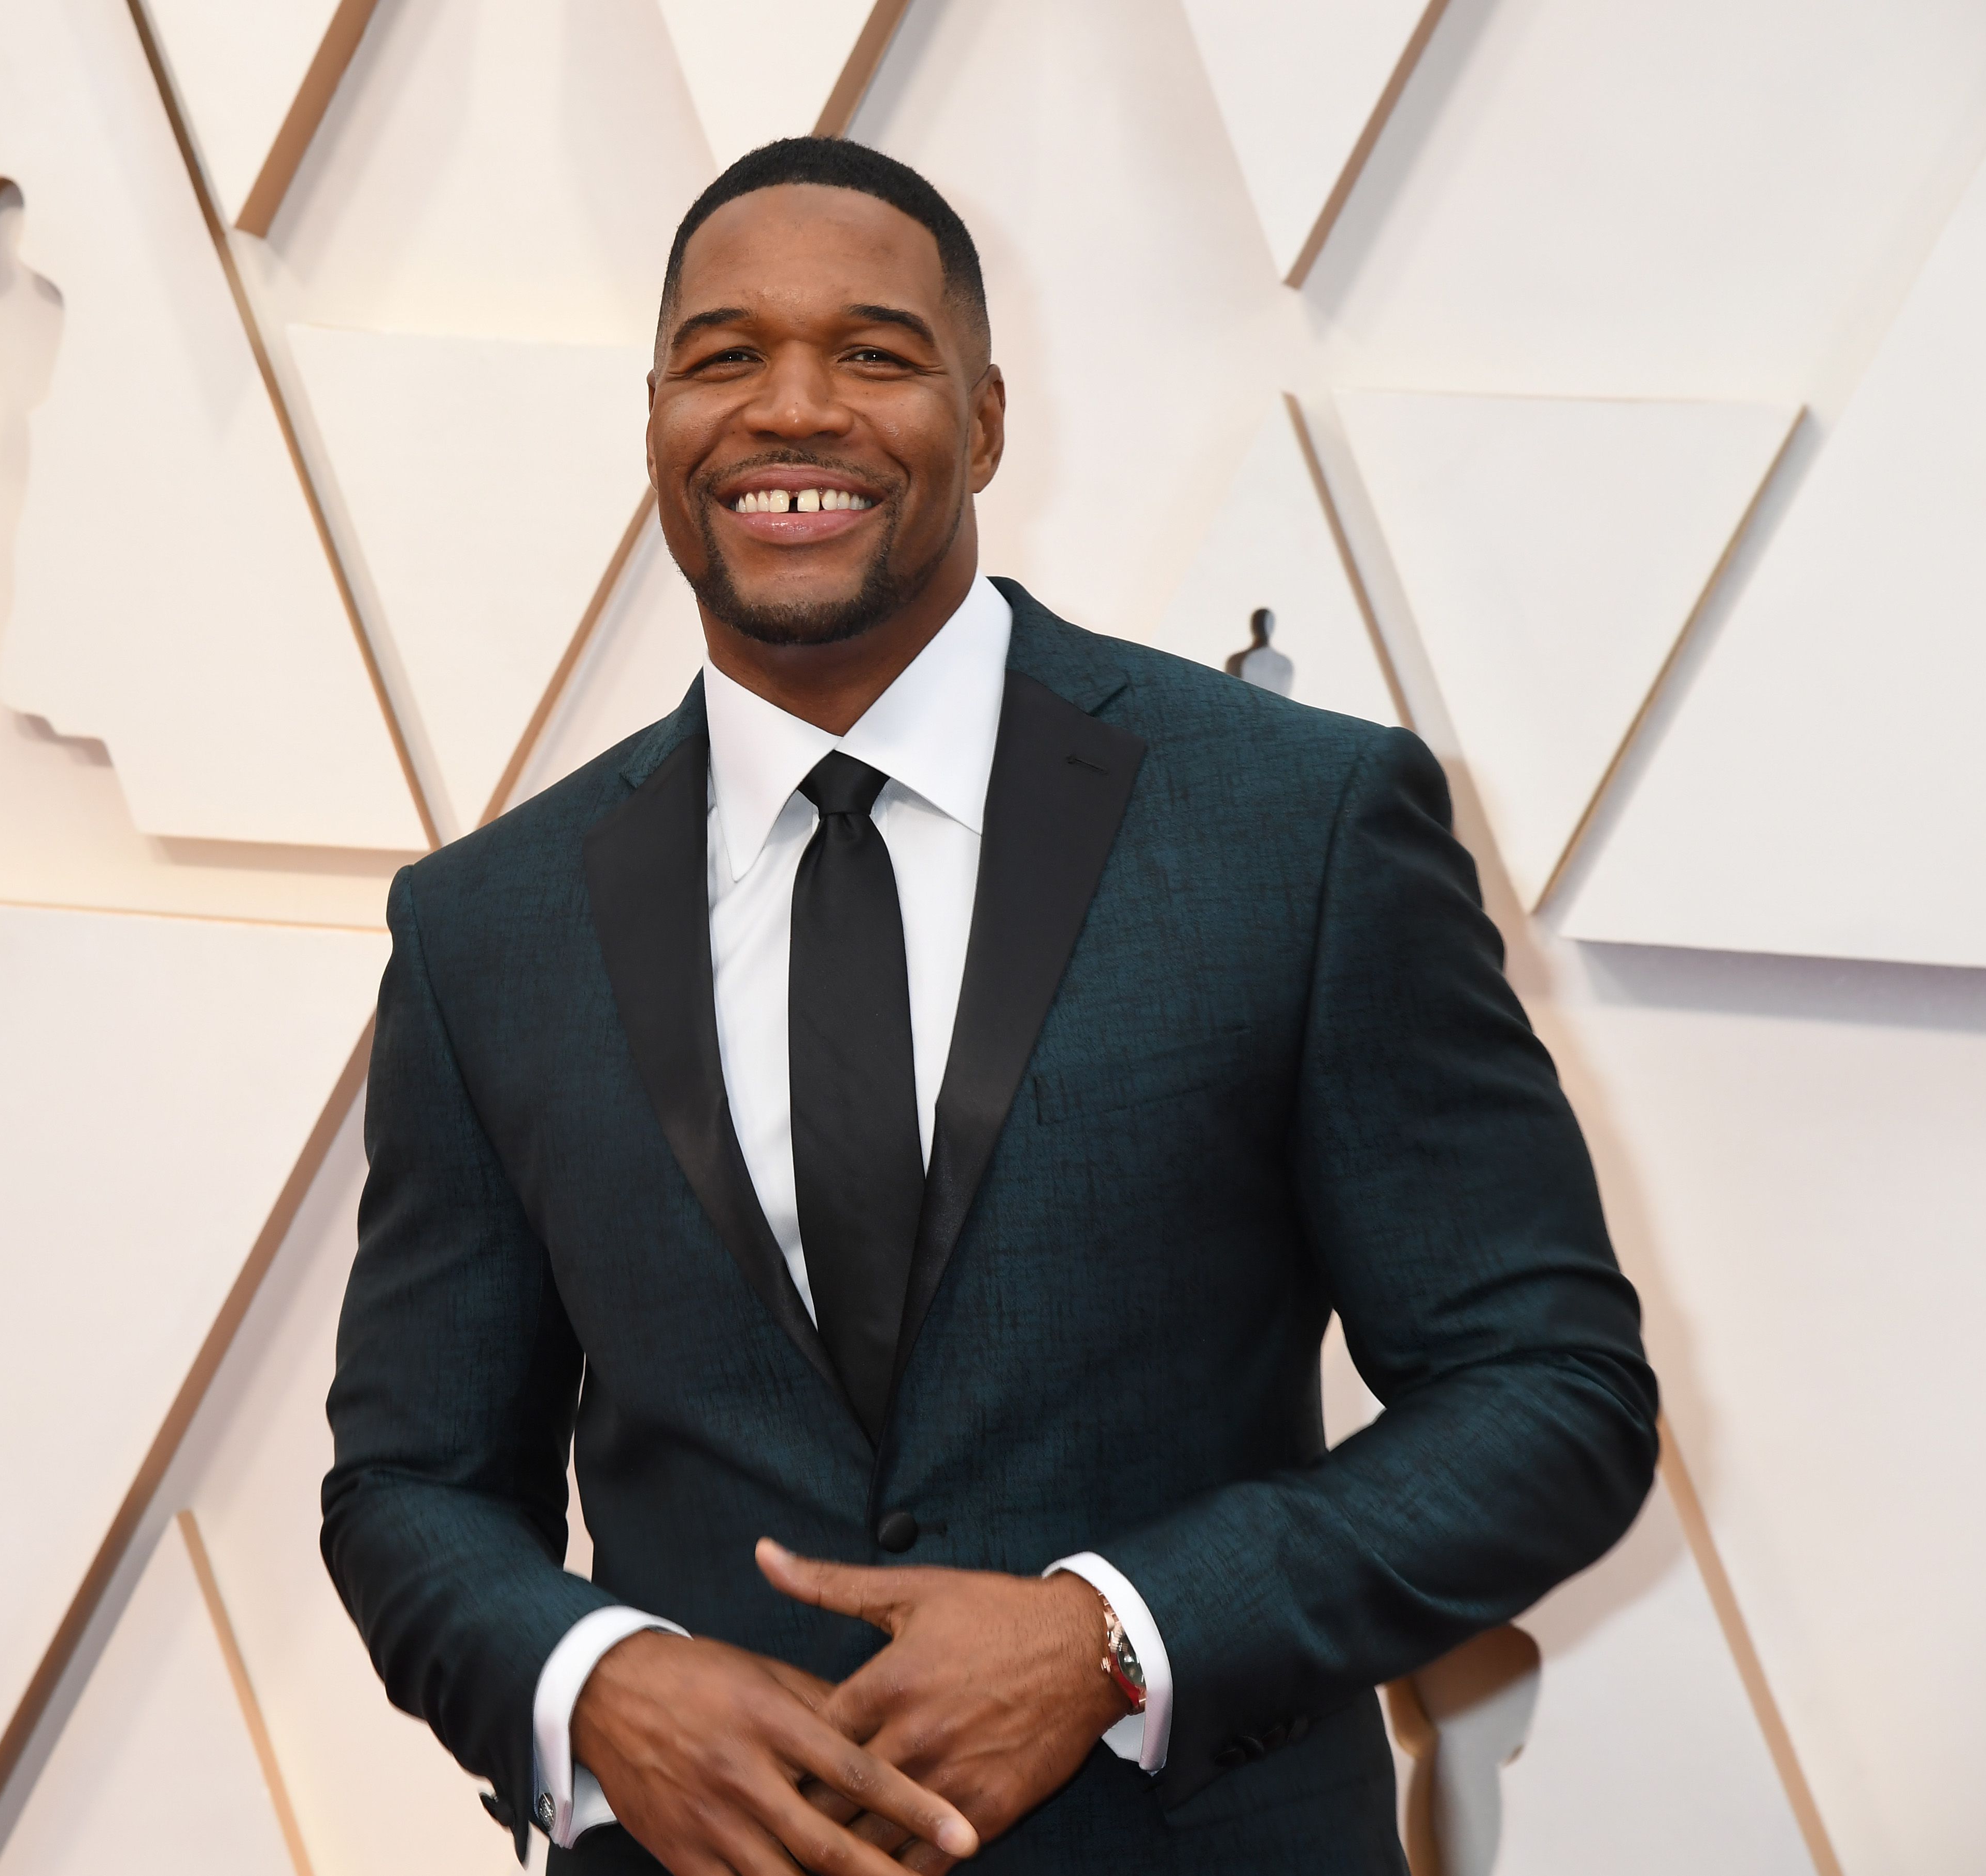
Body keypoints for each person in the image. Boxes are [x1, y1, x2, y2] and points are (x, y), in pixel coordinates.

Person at [321, 137, 1657, 1874]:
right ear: (653, 416)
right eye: (725, 357)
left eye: (872, 353)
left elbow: (1547, 1395)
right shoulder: (483, 922)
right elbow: (411, 1485)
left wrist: (1118, 1634)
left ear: (988, 416)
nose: (790, 411)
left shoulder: (1300, 824)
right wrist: (596, 1679)